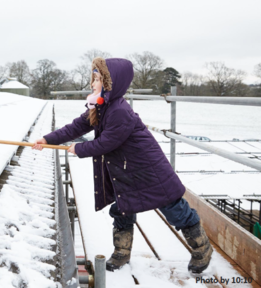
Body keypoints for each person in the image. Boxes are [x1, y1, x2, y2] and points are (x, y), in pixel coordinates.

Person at [33, 57, 212, 273]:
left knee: (174, 209)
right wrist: (48, 139)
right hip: (127, 170)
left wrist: (79, 149)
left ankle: (202, 248)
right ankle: (122, 252)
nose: (93, 84)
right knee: (122, 208)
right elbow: (77, 126)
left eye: (97, 79)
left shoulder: (119, 110)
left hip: (149, 169)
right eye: (93, 79)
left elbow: (108, 142)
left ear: (110, 83)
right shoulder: (100, 106)